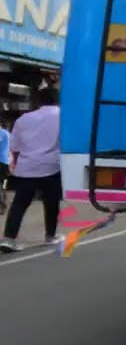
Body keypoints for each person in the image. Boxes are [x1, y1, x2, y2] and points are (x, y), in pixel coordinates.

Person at [0, 88, 62, 253]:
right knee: (51, 202)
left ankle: (9, 238)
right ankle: (50, 235)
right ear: (57, 99)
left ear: (38, 101)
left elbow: (15, 147)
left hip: (27, 168)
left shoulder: (24, 119)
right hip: (52, 166)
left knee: (19, 204)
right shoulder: (64, 116)